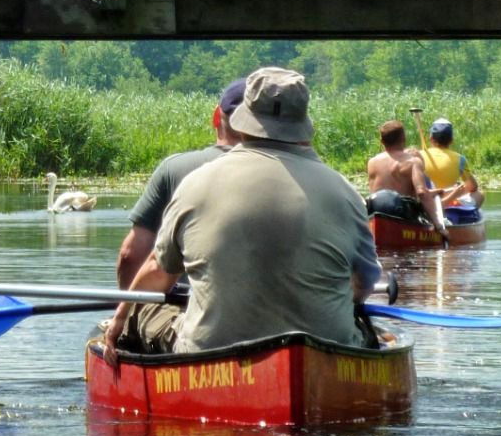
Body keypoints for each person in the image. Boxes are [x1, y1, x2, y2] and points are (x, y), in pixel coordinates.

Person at [102, 67, 383, 359]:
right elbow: (363, 283)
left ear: (244, 120)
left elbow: (159, 273)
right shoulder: (345, 191)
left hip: (211, 350)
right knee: (365, 326)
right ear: (302, 122)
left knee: (142, 313)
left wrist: (121, 317)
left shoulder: (197, 183)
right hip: (324, 349)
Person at [113, 76, 247, 286]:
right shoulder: (287, 176)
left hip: (185, 310)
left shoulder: (174, 169)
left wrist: (125, 314)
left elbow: (130, 256)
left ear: (215, 117)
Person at [364, 119, 451, 234]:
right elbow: (421, 193)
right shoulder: (413, 162)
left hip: (375, 211)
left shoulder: (372, 162)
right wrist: (439, 227)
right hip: (402, 215)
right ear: (403, 139)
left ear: (381, 141)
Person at [420, 117, 485, 212]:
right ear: (451, 140)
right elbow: (473, 187)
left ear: (431, 138)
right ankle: (467, 217)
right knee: (479, 194)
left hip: (425, 200)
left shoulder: (419, 155)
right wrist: (459, 189)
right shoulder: (460, 159)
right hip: (448, 201)